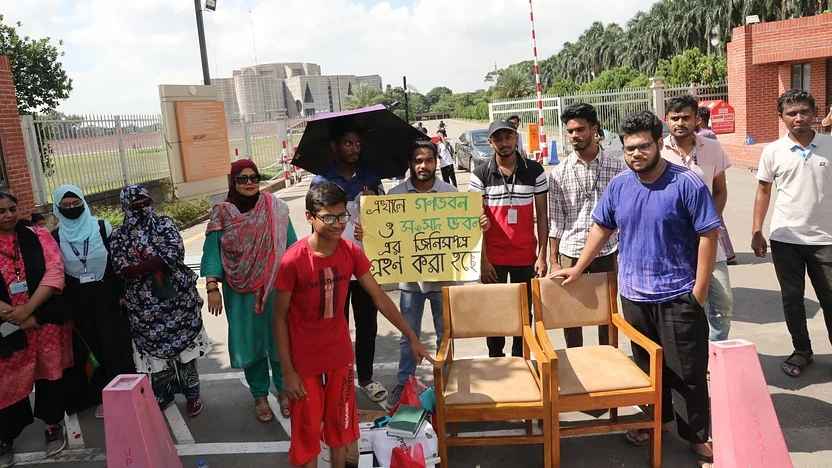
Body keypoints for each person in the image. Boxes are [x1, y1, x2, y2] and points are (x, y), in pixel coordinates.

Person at [552, 110, 719, 462]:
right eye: (629, 149)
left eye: (643, 147)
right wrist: (579, 268)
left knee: (687, 370)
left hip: (678, 295)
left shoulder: (687, 183)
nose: (636, 155)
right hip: (634, 296)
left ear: (659, 144)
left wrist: (698, 293)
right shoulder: (620, 185)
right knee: (645, 368)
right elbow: (601, 227)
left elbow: (708, 235)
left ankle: (695, 433)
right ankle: (654, 419)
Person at [274, 181, 433, 468]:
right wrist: (288, 372)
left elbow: (380, 298)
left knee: (340, 432)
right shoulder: (292, 261)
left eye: (342, 216)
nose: (337, 224)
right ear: (310, 217)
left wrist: (411, 336)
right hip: (303, 362)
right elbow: (279, 319)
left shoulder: (351, 252)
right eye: (329, 217)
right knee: (307, 434)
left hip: (339, 357)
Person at [373, 140, 487, 405]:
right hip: (410, 282)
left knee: (444, 335)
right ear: (411, 164)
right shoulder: (396, 195)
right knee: (408, 335)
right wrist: (367, 233)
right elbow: (382, 233)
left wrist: (479, 224)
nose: (423, 166)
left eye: (428, 160)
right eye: (417, 161)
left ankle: (445, 383)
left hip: (444, 279)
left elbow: (467, 230)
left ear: (437, 162)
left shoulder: (450, 194)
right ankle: (404, 384)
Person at [201, 160, 297, 422]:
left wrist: (298, 284)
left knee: (280, 341)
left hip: (276, 287)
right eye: (242, 179)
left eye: (253, 177)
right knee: (250, 344)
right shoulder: (222, 212)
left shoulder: (275, 209)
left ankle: (285, 392)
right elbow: (212, 251)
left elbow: (291, 247)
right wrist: (212, 288)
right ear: (233, 181)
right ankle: (260, 396)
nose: (249, 183)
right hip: (239, 292)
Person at [109, 185, 210, 417]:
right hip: (144, 308)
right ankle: (163, 394)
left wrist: (141, 265)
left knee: (185, 351)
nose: (142, 208)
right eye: (135, 205)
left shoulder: (164, 224)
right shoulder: (119, 234)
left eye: (145, 202)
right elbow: (121, 267)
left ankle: (192, 394)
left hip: (178, 302)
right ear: (125, 206)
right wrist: (155, 262)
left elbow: (175, 252)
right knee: (155, 356)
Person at [752, 90, 832, 378]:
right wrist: (756, 230)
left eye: (804, 112)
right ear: (782, 117)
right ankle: (802, 351)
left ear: (815, 113)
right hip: (786, 239)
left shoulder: (829, 145)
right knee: (792, 299)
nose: (798, 118)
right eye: (791, 113)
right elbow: (763, 191)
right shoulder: (773, 151)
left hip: (826, 240)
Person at [310, 126, 388, 403]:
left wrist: (373, 205)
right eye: (347, 143)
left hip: (365, 264)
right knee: (336, 324)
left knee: (368, 324)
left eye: (357, 143)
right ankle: (337, 377)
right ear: (335, 147)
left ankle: (366, 377)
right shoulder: (321, 180)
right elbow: (315, 222)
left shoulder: (371, 177)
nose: (354, 148)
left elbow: (387, 216)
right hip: (333, 265)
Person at [51, 185, 135, 418]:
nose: (71, 208)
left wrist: (123, 292)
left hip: (107, 296)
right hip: (77, 301)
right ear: (57, 207)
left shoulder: (101, 227)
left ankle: (122, 392)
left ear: (83, 202)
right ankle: (97, 395)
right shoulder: (56, 237)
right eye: (65, 205)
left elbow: (117, 262)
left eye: (75, 203)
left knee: (114, 344)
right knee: (89, 349)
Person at [0, 192, 71, 464]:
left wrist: (28, 311)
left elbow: (54, 272)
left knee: (49, 372)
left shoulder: (38, 235)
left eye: (12, 209)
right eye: (1, 211)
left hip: (41, 319)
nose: (7, 215)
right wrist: (11, 316)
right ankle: (5, 436)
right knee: (6, 381)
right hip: (5, 324)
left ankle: (53, 424)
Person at [548, 103, 625, 348]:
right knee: (571, 317)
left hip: (607, 251)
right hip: (571, 251)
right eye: (570, 131)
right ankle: (576, 364)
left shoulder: (617, 168)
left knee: (608, 315)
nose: (574, 136)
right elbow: (556, 221)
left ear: (595, 129)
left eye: (580, 129)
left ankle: (609, 361)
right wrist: (554, 259)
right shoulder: (558, 173)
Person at [470, 119, 548, 357]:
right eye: (498, 139)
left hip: (525, 256)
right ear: (491, 142)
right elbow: (474, 222)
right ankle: (496, 357)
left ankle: (520, 357)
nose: (504, 143)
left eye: (508, 137)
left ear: (515, 138)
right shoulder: (480, 174)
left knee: (524, 312)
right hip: (492, 257)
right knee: (494, 310)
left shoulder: (535, 170)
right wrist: (482, 261)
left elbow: (543, 216)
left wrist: (542, 256)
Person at [662, 95, 735, 341]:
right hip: (674, 244)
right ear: (666, 120)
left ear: (697, 120)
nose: (680, 123)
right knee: (689, 304)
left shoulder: (712, 148)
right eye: (675, 118)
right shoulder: (658, 151)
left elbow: (721, 190)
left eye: (686, 117)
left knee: (723, 301)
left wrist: (710, 221)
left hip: (709, 237)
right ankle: (696, 355)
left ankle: (718, 351)